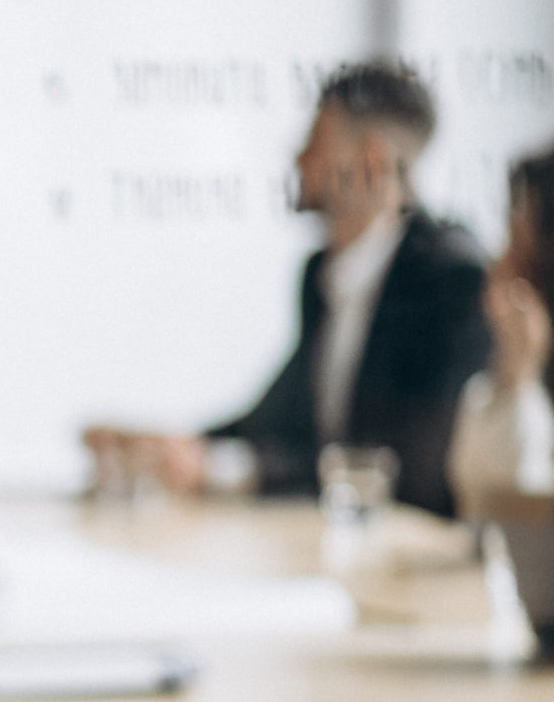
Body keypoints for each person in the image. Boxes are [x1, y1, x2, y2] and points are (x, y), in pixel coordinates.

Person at [93, 61, 492, 518]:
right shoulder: (321, 275)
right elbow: (280, 422)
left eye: (315, 144)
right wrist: (176, 447)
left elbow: (398, 469)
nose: (299, 161)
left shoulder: (452, 285)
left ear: (372, 162)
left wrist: (226, 469)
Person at [451, 146, 554, 513]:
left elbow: (525, 513)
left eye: (520, 240)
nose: (501, 261)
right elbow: (482, 510)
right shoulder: (495, 379)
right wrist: (516, 378)